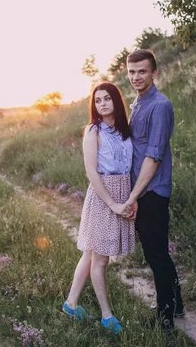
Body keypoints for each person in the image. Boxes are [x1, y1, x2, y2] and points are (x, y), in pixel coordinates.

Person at [62, 82, 137, 334]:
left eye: (107, 98)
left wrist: (130, 199)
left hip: (123, 190)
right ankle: (107, 315)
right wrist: (113, 203)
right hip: (103, 195)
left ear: (116, 100)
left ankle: (71, 303)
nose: (102, 103)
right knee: (100, 258)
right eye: (98, 100)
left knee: (91, 252)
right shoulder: (93, 130)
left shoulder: (125, 129)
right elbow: (92, 173)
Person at [123, 49, 184, 331]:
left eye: (142, 71)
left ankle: (166, 317)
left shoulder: (159, 106)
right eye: (132, 72)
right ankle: (177, 303)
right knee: (157, 251)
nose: (136, 77)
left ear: (154, 73)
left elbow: (153, 157)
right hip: (143, 190)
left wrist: (133, 196)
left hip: (152, 192)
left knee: (156, 255)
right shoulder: (139, 102)